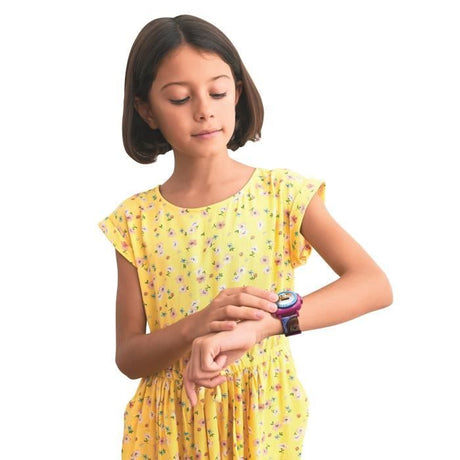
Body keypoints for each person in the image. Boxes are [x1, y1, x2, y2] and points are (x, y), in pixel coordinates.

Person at [97, 14, 393, 459]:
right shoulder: (135, 221)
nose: (204, 110)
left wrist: (266, 326)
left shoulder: (282, 194)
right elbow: (129, 357)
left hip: (259, 419)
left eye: (217, 92)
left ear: (237, 92)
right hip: (167, 430)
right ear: (146, 110)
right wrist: (196, 326)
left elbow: (373, 284)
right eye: (179, 98)